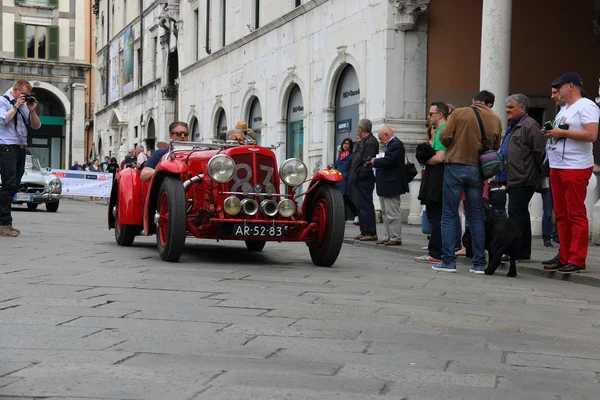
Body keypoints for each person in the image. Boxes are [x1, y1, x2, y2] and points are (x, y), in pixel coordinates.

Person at [434, 90, 502, 274]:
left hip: (456, 165)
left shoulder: (459, 112)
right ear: (490, 104)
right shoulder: (496, 119)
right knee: (476, 217)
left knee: (449, 214)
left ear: (473, 101)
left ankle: (448, 261)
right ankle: (478, 264)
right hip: (477, 170)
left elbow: (444, 137)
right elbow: (495, 147)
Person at [542, 73, 599, 274]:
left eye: (559, 88)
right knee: (561, 215)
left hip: (576, 166)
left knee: (575, 214)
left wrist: (562, 133)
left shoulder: (587, 106)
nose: (556, 93)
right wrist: (552, 133)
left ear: (571, 86)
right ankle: (564, 256)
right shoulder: (564, 109)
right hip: (558, 165)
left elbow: (591, 135)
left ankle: (577, 258)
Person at [497, 94, 546, 261]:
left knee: (516, 215)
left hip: (523, 178)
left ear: (522, 108)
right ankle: (523, 251)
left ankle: (514, 251)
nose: (507, 110)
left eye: (511, 107)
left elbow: (539, 152)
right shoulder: (515, 125)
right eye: (507, 107)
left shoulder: (529, 125)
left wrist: (536, 173)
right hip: (514, 176)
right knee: (522, 215)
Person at [0, 79, 42, 237]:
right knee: (8, 184)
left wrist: (31, 110)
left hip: (20, 148)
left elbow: (37, 125)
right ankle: (4, 224)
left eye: (28, 95)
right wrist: (16, 105)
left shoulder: (25, 106)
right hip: (6, 147)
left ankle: (4, 222)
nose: (26, 97)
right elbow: (5, 119)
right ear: (15, 90)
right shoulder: (3, 101)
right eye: (24, 94)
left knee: (14, 185)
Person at [415, 102, 450, 263]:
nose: (429, 117)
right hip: (439, 176)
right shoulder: (442, 130)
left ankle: (435, 253)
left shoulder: (442, 131)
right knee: (438, 215)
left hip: (437, 177)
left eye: (431, 114)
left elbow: (440, 157)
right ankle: (438, 251)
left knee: (435, 216)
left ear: (440, 115)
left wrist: (425, 160)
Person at [370, 126, 408, 246]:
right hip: (386, 185)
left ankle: (395, 237)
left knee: (392, 212)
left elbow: (389, 160)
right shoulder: (391, 145)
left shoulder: (396, 144)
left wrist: (375, 162)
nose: (381, 141)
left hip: (392, 185)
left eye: (381, 138)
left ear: (387, 135)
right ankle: (388, 236)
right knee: (385, 213)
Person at [349, 119, 379, 241]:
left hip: (364, 179)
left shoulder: (371, 142)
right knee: (360, 206)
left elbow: (367, 161)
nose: (357, 130)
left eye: (358, 128)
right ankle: (364, 231)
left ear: (361, 129)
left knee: (366, 205)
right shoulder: (364, 141)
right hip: (359, 178)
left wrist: (360, 174)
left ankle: (371, 232)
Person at [334, 138, 358, 222]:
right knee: (341, 197)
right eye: (344, 143)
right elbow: (336, 166)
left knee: (345, 197)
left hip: (346, 178)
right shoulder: (340, 155)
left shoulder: (352, 156)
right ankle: (343, 218)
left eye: (347, 143)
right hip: (338, 178)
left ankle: (356, 213)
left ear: (350, 145)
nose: (345, 145)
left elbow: (352, 167)